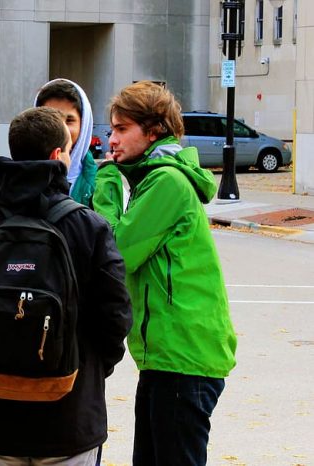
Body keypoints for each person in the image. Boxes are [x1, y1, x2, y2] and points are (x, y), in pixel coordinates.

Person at [0, 106, 132, 465]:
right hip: (70, 414)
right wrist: (87, 367)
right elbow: (115, 315)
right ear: (58, 155)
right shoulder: (88, 226)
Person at [93, 81, 238, 466]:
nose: (112, 140)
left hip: (183, 358)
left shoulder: (167, 182)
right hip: (166, 358)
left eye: (122, 129)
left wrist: (106, 183)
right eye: (112, 129)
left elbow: (117, 253)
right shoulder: (154, 179)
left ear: (153, 130)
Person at [35, 78, 97, 207]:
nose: (60, 128)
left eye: (69, 120)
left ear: (84, 124)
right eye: (51, 119)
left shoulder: (102, 182)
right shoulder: (15, 180)